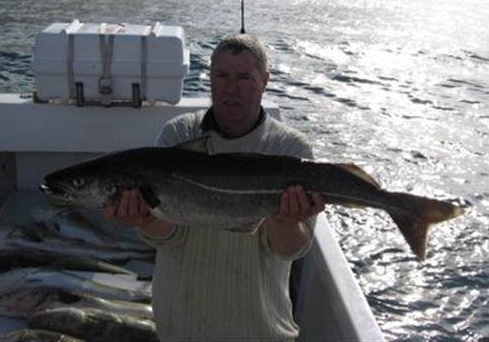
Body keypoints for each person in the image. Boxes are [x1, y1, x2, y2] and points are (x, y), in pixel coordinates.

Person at [104, 34, 325, 341]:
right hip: (179, 329)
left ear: (265, 81)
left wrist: (285, 220)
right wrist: (144, 220)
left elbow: (291, 249)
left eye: (244, 77)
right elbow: (168, 235)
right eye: (221, 75)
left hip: (258, 331)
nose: (231, 88)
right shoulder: (179, 134)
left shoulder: (289, 148)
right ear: (209, 77)